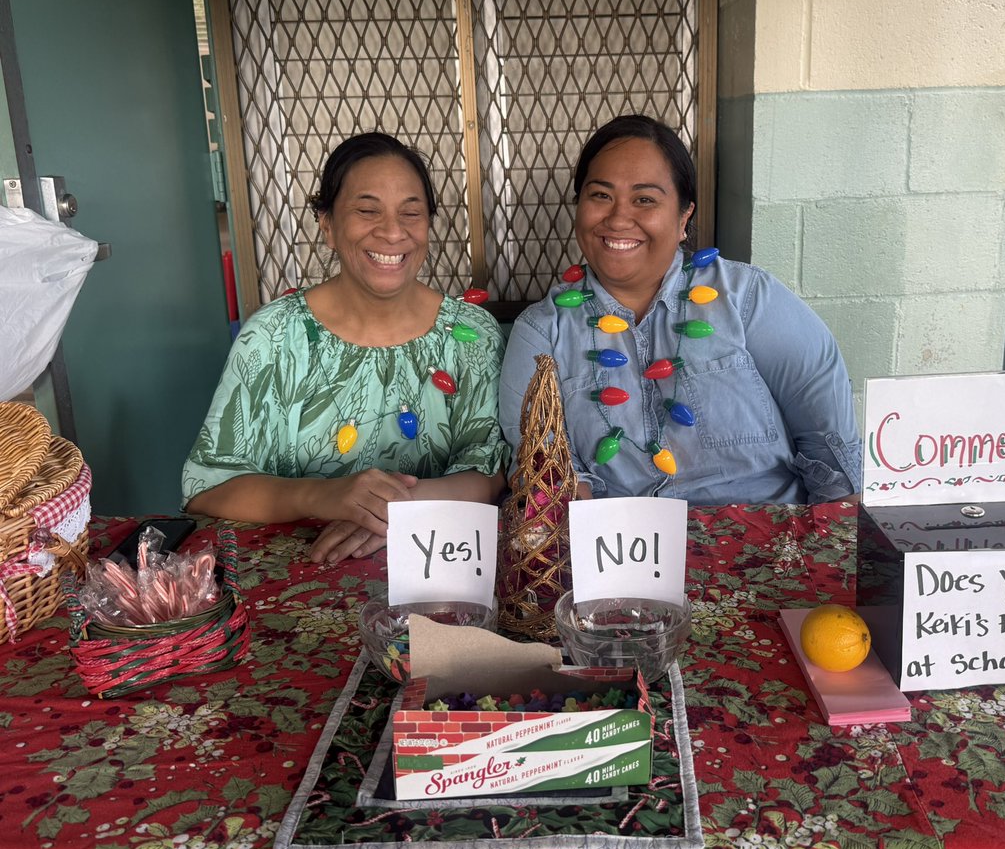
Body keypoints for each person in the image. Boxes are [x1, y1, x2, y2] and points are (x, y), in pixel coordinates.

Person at [499, 115, 861, 505]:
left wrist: (831, 552)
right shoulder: (542, 332)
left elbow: (833, 452)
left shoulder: (748, 299)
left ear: (684, 216)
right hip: (620, 554)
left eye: (645, 200)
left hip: (767, 549)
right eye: (600, 195)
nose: (619, 218)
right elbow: (544, 473)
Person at [184, 132, 508, 562]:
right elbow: (210, 488)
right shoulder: (274, 336)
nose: (393, 232)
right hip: (300, 575)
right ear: (328, 225)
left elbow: (489, 471)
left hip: (436, 562)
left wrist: (399, 510)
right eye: (367, 210)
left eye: (411, 212)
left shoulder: (471, 334)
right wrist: (322, 496)